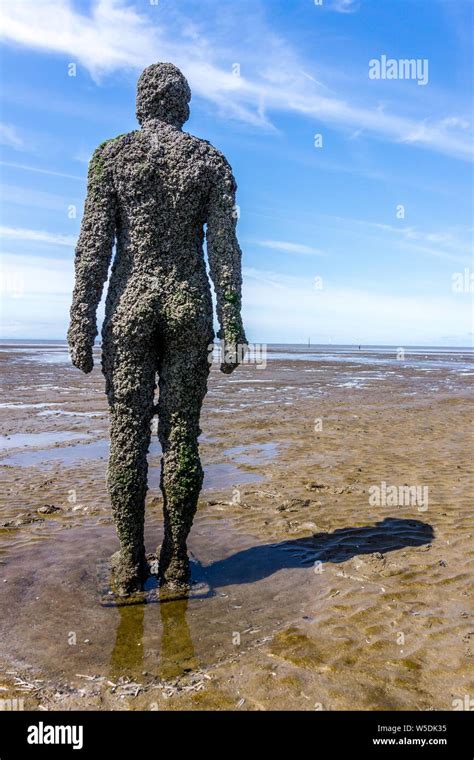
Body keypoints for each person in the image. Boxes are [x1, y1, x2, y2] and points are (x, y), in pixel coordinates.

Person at [68, 62, 246, 595]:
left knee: (127, 437)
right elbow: (226, 251)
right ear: (184, 106)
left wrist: (80, 319)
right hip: (188, 305)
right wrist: (233, 322)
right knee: (181, 438)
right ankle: (173, 564)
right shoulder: (209, 160)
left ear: (141, 105)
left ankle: (128, 566)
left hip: (130, 308)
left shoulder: (112, 156)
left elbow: (94, 246)